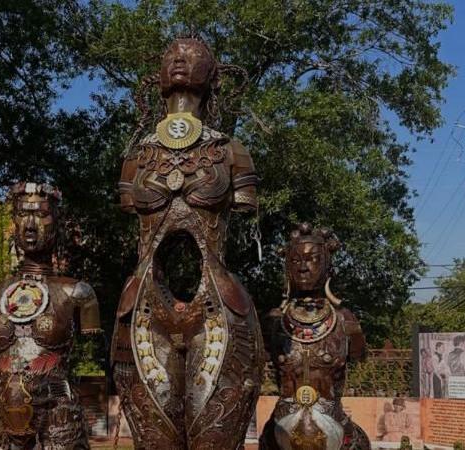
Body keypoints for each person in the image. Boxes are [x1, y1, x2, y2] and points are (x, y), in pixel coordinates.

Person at [111, 36, 263, 449]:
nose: (179, 58)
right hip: (144, 306)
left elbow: (245, 204)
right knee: (155, 440)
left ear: (212, 76)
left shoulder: (230, 151)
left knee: (213, 437)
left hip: (217, 307)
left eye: (193, 55)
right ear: (158, 74)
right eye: (171, 55)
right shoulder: (137, 157)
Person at [0, 182, 101, 450]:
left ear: (58, 222)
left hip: (57, 412)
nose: (30, 225)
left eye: (41, 215)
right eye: (22, 214)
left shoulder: (77, 292)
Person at [259, 224, 370, 450]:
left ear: (328, 267)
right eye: (295, 260)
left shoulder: (345, 322)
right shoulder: (272, 322)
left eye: (312, 259)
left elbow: (360, 356)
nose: (303, 268)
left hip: (335, 433)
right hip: (281, 435)